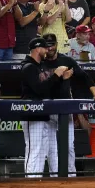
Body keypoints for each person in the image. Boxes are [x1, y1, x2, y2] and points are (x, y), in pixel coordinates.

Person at [42, 33, 95, 177]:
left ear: (57, 44)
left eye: (52, 44)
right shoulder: (40, 63)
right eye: (47, 45)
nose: (50, 48)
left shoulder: (66, 60)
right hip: (47, 109)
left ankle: (71, 175)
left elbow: (85, 77)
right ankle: (55, 176)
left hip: (65, 108)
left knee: (69, 146)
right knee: (51, 148)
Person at [20, 36, 68, 178]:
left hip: (43, 113)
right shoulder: (28, 67)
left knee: (42, 149)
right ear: (36, 49)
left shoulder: (40, 66)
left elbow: (48, 89)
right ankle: (30, 180)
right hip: (31, 113)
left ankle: (37, 178)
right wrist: (55, 75)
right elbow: (38, 89)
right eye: (44, 47)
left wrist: (60, 78)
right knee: (33, 149)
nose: (47, 50)